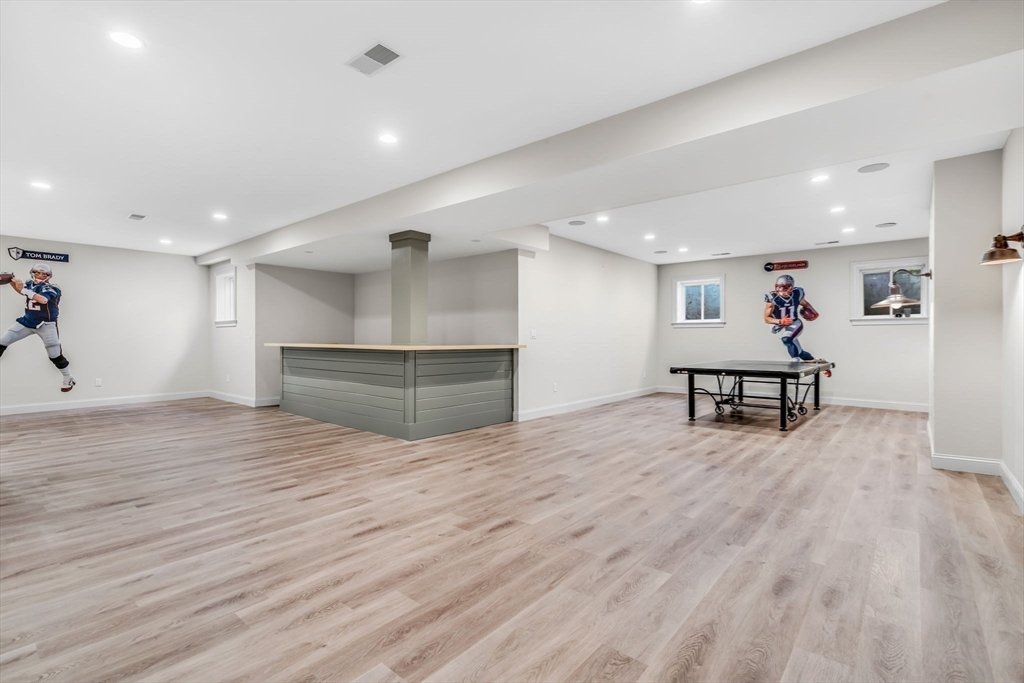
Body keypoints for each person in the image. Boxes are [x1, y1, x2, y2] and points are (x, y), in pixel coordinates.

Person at [0, 263, 75, 392]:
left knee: (54, 355)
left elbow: (43, 300)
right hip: (27, 322)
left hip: (46, 325)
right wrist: (13, 282)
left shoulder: (52, 288)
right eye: (37, 273)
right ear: (32, 273)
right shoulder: (29, 283)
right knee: (2, 342)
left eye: (44, 274)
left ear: (49, 276)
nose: (40, 276)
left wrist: (23, 289)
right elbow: (23, 292)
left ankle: (68, 377)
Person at [763, 274, 820, 363]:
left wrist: (813, 311)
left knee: (786, 339)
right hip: (780, 326)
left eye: (784, 287)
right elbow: (766, 319)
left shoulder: (797, 294)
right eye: (779, 287)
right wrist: (780, 321)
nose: (780, 289)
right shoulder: (772, 298)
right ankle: (816, 362)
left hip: (794, 322)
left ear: (791, 287)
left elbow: (805, 304)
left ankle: (794, 363)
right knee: (799, 352)